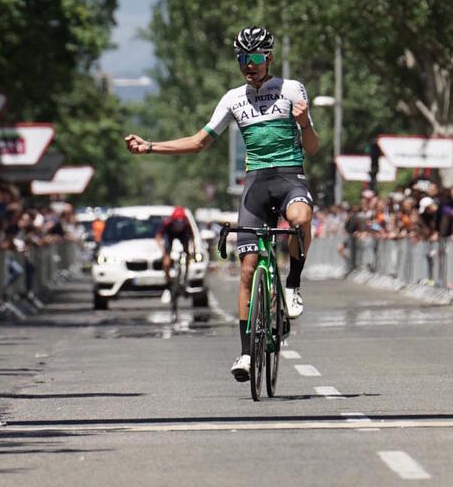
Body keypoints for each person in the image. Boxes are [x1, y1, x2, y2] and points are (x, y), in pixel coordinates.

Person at [125, 26, 319, 382]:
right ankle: (245, 353)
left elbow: (313, 147)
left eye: (255, 58)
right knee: (247, 269)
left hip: (289, 176)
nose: (249, 65)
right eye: (242, 59)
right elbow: (198, 142)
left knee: (300, 217)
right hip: (256, 184)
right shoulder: (233, 98)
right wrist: (150, 147)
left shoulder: (292, 89)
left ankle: (292, 284)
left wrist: (304, 123)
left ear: (269, 58)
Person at [155, 205, 194, 302]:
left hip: (183, 236)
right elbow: (158, 236)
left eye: (181, 223)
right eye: (177, 223)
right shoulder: (167, 224)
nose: (179, 225)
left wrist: (193, 250)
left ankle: (185, 276)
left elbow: (192, 238)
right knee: (166, 261)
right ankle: (168, 281)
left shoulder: (186, 225)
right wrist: (163, 251)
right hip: (170, 236)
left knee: (187, 253)